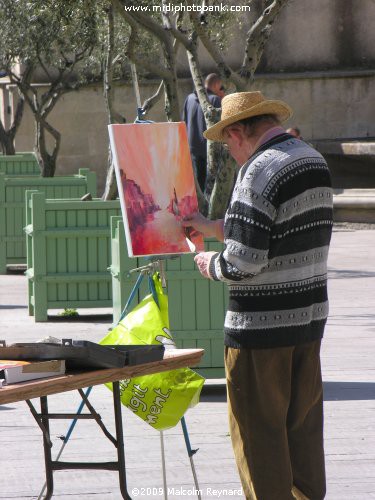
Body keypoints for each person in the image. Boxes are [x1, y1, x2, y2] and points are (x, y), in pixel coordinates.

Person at [182, 91, 333, 500]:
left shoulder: (257, 172)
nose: (230, 153)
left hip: (260, 332)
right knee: (302, 434)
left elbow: (243, 263)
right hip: (307, 322)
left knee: (259, 441)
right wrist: (212, 225)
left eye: (227, 143)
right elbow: (278, 230)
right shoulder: (310, 159)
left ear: (238, 132)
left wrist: (209, 264)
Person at [182, 73, 225, 192]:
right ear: (216, 84)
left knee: (199, 186)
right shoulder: (214, 100)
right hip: (209, 149)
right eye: (221, 87)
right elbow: (220, 125)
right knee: (211, 188)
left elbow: (184, 122)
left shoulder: (189, 98)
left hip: (193, 148)